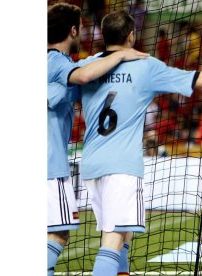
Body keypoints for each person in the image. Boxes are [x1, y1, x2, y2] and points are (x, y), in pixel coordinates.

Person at [76, 10, 202, 276]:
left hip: (92, 164)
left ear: (104, 37)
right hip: (122, 166)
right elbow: (196, 77)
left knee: (123, 239)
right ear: (132, 35)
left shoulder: (89, 66)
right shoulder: (145, 65)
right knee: (113, 241)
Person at [47, 3, 149, 276]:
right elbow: (82, 77)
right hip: (50, 162)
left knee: (120, 232)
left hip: (78, 161)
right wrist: (120, 56)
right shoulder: (59, 63)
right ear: (73, 30)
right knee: (59, 235)